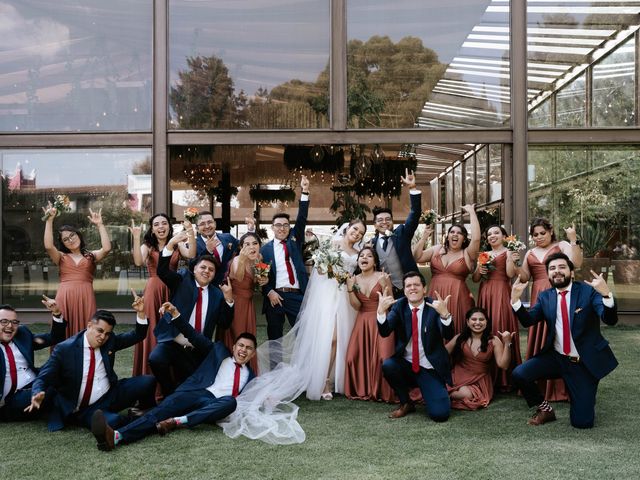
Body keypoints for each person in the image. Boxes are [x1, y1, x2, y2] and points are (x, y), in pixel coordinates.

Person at [90, 301, 256, 451]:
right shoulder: (218, 351)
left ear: (253, 353)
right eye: (241, 345)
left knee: (230, 401)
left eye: (248, 348)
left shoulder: (250, 375)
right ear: (234, 347)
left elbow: (254, 396)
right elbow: (193, 335)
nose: (243, 350)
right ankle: (116, 436)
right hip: (195, 391)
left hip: (214, 406)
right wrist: (176, 315)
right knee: (159, 413)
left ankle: (177, 421)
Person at [510, 252, 617, 428]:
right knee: (520, 374)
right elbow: (528, 321)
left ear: (571, 272)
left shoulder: (587, 292)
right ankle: (545, 409)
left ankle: (584, 394)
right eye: (552, 268)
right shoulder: (546, 296)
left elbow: (610, 319)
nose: (556, 271)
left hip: (583, 362)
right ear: (548, 274)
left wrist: (606, 295)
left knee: (582, 422)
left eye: (562, 267)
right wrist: (515, 301)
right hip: (557, 357)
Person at [27, 291, 156, 431]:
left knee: (148, 381)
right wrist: (37, 393)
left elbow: (137, 335)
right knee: (114, 421)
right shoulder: (64, 349)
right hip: (84, 408)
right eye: (99, 331)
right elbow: (43, 377)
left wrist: (141, 312)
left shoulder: (110, 340)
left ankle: (144, 410)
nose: (102, 337)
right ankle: (137, 420)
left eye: (107, 333)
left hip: (109, 395)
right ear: (89, 325)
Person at [150, 252, 234, 397]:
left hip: (196, 349)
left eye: (211, 269)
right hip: (173, 342)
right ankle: (167, 393)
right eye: (203, 267)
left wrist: (229, 301)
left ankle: (178, 397)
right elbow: (162, 271)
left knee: (191, 388)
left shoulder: (217, 294)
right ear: (194, 269)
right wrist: (170, 246)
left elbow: (224, 323)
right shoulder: (182, 281)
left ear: (214, 275)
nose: (206, 271)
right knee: (155, 358)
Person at [517, 217, 582, 401]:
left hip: (559, 292)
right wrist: (514, 264)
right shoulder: (530, 252)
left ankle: (563, 387)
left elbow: (576, 263)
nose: (538, 237)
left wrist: (573, 239)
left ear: (551, 231)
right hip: (538, 294)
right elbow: (524, 277)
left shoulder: (561, 245)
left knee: (559, 335)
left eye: (542, 233)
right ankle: (538, 384)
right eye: (535, 234)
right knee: (539, 335)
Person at [376, 271, 454, 422]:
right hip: (406, 365)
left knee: (440, 415)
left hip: (429, 367)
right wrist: (381, 312)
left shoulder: (435, 307)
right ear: (404, 290)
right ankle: (406, 403)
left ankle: (434, 391)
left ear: (424, 289)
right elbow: (385, 332)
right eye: (408, 286)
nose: (412, 288)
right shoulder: (399, 306)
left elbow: (448, 335)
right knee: (389, 365)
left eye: (416, 285)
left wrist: (445, 315)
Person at [129, 214, 196, 376]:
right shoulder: (148, 246)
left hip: (172, 290)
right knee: (152, 329)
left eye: (164, 223)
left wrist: (190, 231)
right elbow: (138, 261)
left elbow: (191, 254)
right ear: (152, 229)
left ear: (169, 227)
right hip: (153, 290)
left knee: (172, 329)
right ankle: (150, 374)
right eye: (157, 224)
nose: (161, 227)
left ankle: (171, 374)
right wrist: (136, 238)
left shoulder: (176, 243)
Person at [43, 205, 111, 337]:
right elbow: (48, 246)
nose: (70, 240)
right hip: (65, 297)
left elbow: (107, 248)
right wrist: (49, 220)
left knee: (87, 329)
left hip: (86, 296)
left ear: (78, 235)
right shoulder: (61, 257)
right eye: (65, 239)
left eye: (72, 235)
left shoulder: (90, 255)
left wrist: (100, 225)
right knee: (63, 330)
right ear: (63, 243)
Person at [415, 204, 480, 333]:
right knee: (434, 329)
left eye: (459, 233)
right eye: (452, 232)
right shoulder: (437, 249)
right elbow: (417, 257)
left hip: (458, 297)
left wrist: (472, 212)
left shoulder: (467, 253)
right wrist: (423, 237)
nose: (455, 235)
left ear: (464, 238)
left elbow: (477, 239)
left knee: (456, 328)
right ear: (448, 235)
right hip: (435, 293)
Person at [471, 225, 521, 391]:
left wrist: (510, 259)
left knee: (501, 325)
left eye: (496, 233)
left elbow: (509, 275)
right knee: (487, 329)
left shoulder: (508, 252)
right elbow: (476, 279)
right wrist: (480, 267)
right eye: (489, 233)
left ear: (504, 236)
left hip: (501, 292)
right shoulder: (484, 255)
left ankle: (506, 377)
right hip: (486, 293)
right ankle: (488, 373)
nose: (492, 236)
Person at [0, 297, 67, 421]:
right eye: (4, 321)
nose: (10, 326)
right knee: (54, 390)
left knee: (66, 369)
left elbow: (54, 338)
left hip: (35, 382)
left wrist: (56, 313)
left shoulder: (22, 334)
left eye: (14, 322)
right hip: (11, 399)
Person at [261, 175, 310, 341]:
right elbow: (260, 276)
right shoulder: (264, 250)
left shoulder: (295, 241)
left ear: (289, 227)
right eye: (278, 225)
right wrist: (269, 292)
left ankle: (303, 367)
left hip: (297, 295)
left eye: (285, 225)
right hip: (275, 296)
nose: (282, 228)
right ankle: (275, 368)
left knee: (303, 336)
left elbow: (302, 217)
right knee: (274, 336)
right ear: (272, 228)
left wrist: (305, 191)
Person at [344, 246, 395, 402]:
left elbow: (391, 302)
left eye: (369, 256)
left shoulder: (382, 276)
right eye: (361, 256)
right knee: (351, 357)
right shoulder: (354, 279)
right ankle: (362, 389)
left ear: (375, 261)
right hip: (363, 320)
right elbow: (357, 306)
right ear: (358, 260)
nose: (364, 258)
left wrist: (385, 284)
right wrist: (350, 289)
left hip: (381, 319)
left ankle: (382, 391)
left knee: (383, 358)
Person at [445, 307, 513, 410]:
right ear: (467, 322)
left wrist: (507, 343)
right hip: (458, 376)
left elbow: (504, 365)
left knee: (466, 394)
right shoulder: (460, 338)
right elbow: (442, 354)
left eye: (481, 319)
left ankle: (443, 395)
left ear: (486, 322)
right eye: (474, 319)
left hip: (480, 381)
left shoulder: (494, 340)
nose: (478, 322)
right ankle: (442, 393)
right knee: (456, 390)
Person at [219, 232, 267, 373]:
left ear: (259, 245)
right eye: (247, 244)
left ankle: (249, 372)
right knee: (239, 337)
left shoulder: (259, 258)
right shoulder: (237, 260)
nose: (251, 247)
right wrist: (243, 259)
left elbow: (258, 282)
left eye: (255, 243)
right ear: (241, 247)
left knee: (250, 338)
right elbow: (239, 278)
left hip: (248, 304)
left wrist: (265, 280)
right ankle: (234, 373)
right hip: (236, 304)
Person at [369, 169, 421, 298]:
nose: (384, 222)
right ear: (375, 224)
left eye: (388, 219)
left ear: (392, 221)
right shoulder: (371, 244)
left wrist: (412, 187)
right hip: (385, 292)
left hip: (408, 288)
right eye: (380, 220)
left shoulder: (402, 233)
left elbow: (415, 214)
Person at [194, 211, 239, 285]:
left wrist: (251, 230)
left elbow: (243, 245)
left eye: (209, 222)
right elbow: (192, 265)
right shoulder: (193, 245)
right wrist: (207, 251)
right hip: (207, 286)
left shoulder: (228, 237)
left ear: (215, 224)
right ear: (197, 228)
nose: (207, 226)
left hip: (229, 285)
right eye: (202, 224)